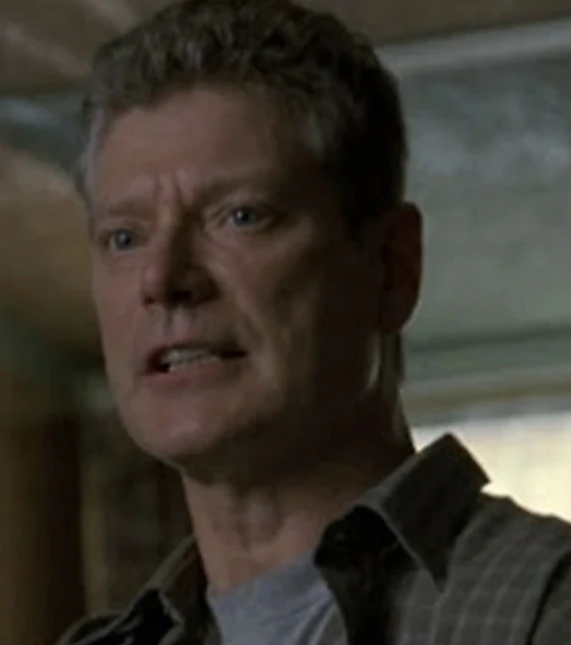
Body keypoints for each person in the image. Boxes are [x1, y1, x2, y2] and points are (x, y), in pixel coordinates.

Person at [57, 1, 571, 643]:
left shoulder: (538, 610)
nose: (162, 280)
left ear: (392, 266)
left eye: (241, 216)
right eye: (125, 237)